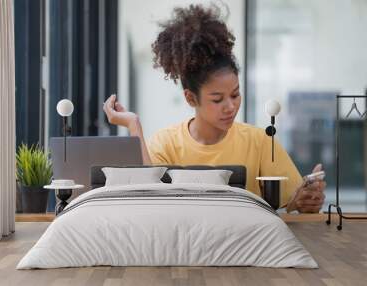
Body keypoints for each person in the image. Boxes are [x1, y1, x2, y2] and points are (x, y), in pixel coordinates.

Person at [103, 4, 326, 213]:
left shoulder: (259, 142)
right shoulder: (166, 143)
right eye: (218, 99)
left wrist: (302, 201)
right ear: (191, 98)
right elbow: (147, 200)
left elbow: (290, 203)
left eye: (235, 95)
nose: (231, 106)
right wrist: (134, 126)